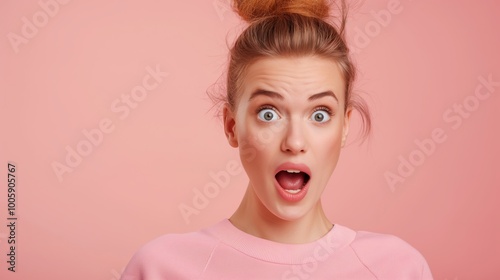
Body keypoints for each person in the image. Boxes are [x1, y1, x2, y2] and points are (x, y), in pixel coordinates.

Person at [120, 0, 433, 279]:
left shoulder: (396, 268)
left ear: (344, 127)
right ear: (231, 126)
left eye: (320, 114)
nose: (295, 142)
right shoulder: (160, 268)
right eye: (268, 114)